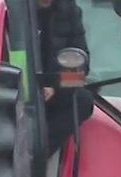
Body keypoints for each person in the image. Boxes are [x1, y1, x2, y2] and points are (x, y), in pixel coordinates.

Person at [36, 0, 94, 156]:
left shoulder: (70, 11)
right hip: (20, 85)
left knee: (83, 100)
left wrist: (55, 87)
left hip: (56, 90)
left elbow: (81, 68)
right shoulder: (11, 9)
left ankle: (36, 156)